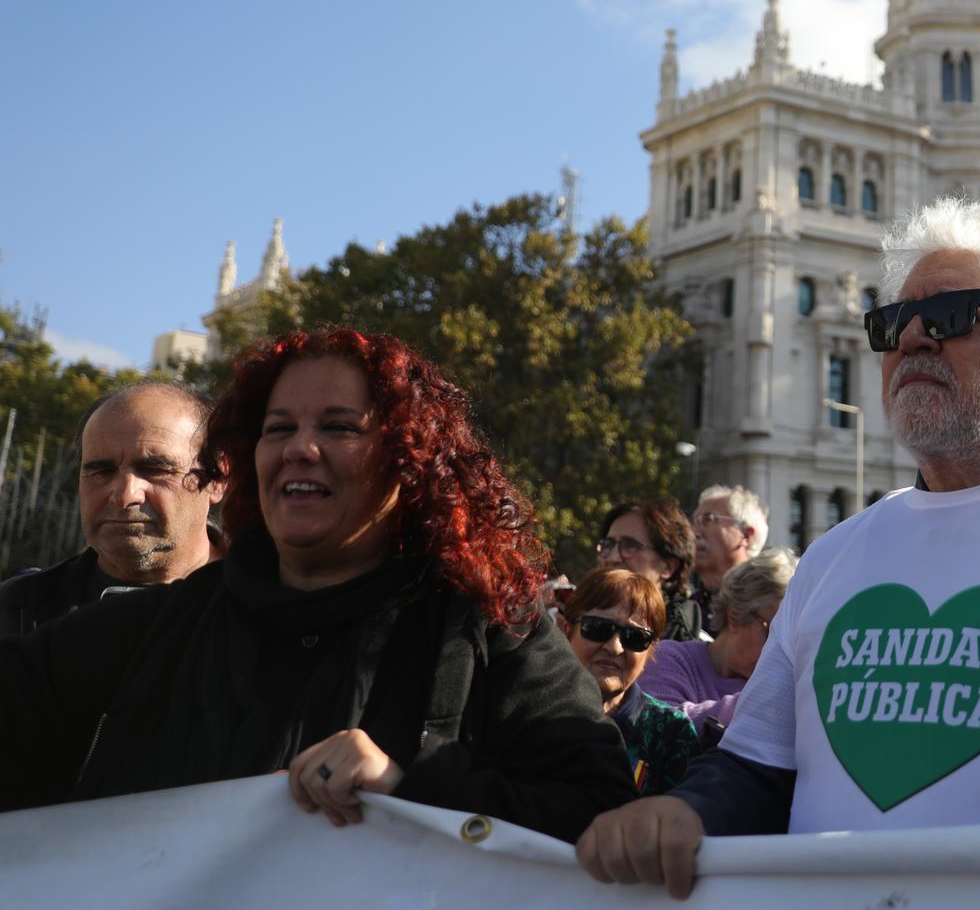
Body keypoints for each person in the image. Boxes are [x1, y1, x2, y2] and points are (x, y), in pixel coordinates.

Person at [576, 198, 980, 895]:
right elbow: (757, 769)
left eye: (953, 315)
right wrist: (681, 813)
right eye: (892, 322)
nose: (914, 339)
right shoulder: (834, 557)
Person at [0, 328, 633, 842]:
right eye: (279, 429)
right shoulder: (157, 625)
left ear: (406, 462)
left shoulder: (487, 628)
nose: (301, 448)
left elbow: (597, 809)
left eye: (339, 427)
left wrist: (410, 786)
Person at [0, 382, 223, 638]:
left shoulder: (265, 611)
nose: (125, 495)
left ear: (217, 479)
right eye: (101, 471)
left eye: (155, 470)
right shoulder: (15, 612)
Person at [558, 567, 700, 797]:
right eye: (597, 628)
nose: (614, 647)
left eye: (635, 637)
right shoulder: (525, 707)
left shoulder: (672, 732)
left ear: (651, 651)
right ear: (567, 632)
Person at [639, 548, 796, 729]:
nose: (781, 650)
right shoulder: (668, 657)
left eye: (791, 641)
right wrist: (761, 702)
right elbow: (660, 728)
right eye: (774, 634)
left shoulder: (772, 685)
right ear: (735, 616)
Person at [595, 501, 700, 643]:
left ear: (668, 567)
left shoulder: (688, 646)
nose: (613, 557)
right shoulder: (575, 621)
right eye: (608, 544)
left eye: (630, 546)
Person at [690, 484, 767, 600]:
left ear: (745, 535)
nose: (694, 532)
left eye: (709, 519)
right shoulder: (683, 609)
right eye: (695, 522)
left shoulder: (771, 606)